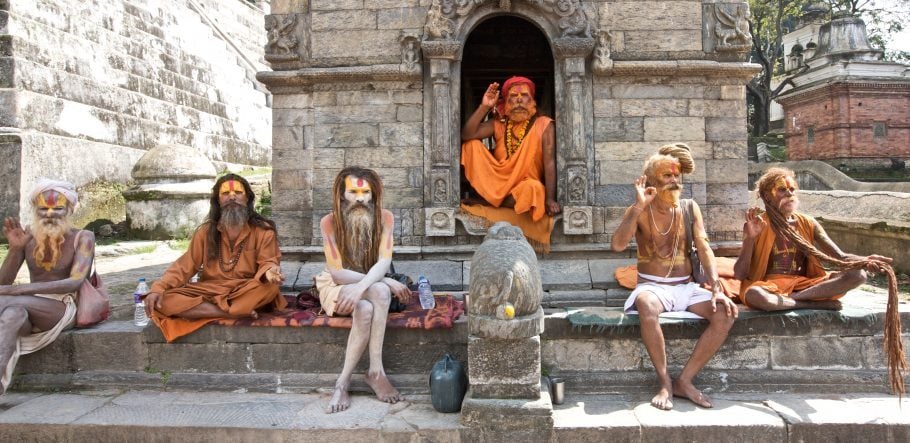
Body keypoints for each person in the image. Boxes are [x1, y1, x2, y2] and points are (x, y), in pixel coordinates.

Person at [611, 144, 737, 410]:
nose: (674, 181)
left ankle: (685, 381)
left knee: (724, 312)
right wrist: (636, 207)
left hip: (685, 287)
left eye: (676, 176)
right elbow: (618, 245)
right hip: (654, 288)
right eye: (667, 176)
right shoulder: (640, 210)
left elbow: (703, 246)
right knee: (646, 305)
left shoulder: (690, 208)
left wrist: (715, 286)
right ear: (651, 181)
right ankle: (664, 381)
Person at [144, 174, 286, 342]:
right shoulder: (205, 232)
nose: (232, 196)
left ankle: (230, 309)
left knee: (269, 288)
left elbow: (268, 261)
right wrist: (158, 289)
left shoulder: (263, 231)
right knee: (163, 301)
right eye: (225, 193)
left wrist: (270, 272)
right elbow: (184, 266)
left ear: (247, 198)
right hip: (210, 290)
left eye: (238, 192)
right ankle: (231, 312)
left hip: (245, 290)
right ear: (218, 200)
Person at [315, 166, 411, 413]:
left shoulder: (385, 218)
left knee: (370, 303)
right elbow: (336, 272)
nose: (360, 198)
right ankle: (345, 382)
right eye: (353, 191)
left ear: (374, 194)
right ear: (341, 194)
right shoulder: (328, 222)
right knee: (378, 293)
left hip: (368, 284)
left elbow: (383, 262)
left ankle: (372, 373)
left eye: (366, 192)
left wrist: (364, 286)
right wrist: (383, 282)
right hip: (337, 284)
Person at [733, 167, 892, 311]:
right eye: (782, 190)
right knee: (754, 295)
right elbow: (740, 274)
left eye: (792, 189)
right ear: (767, 197)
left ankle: (790, 301)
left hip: (804, 286)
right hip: (769, 287)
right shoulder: (758, 225)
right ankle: (813, 303)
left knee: (858, 275)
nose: (790, 194)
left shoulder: (808, 223)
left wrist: (866, 260)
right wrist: (749, 239)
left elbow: (840, 257)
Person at [0, 179, 94, 394]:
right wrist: (15, 249)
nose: (50, 214)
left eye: (57, 208)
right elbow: (3, 283)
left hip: (62, 306)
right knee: (13, 313)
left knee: (8, 301)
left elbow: (75, 281)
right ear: (35, 210)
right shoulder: (27, 237)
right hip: (25, 307)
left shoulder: (84, 237)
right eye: (43, 209)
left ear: (70, 209)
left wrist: (16, 290)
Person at [460, 76, 561, 250]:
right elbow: (467, 134)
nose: (519, 99)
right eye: (514, 96)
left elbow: (550, 163)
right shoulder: (499, 125)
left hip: (522, 190)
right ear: (506, 102)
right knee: (471, 145)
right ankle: (492, 199)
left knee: (534, 189)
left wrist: (550, 198)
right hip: (497, 184)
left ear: (532, 100)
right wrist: (484, 106)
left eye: (524, 95)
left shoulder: (544, 124)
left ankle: (488, 203)